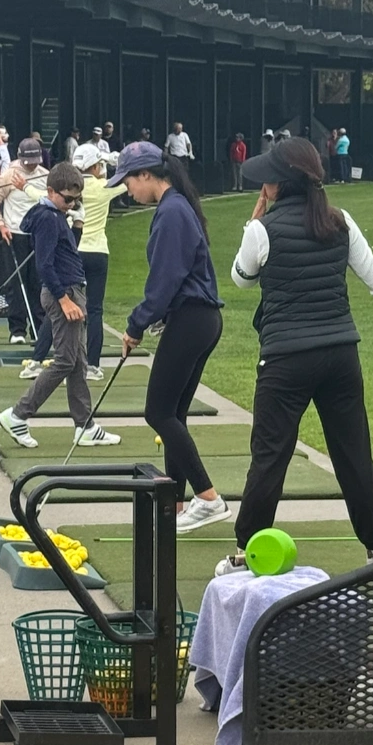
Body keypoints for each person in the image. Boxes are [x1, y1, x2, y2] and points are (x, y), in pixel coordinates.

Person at [216, 137, 373, 574]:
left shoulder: (262, 229)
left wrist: (250, 226)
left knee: (270, 454)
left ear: (279, 184)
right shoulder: (340, 221)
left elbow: (241, 279)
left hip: (286, 358)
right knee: (354, 456)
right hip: (340, 355)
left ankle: (247, 553)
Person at [106, 143, 229, 533]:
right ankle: (177, 504)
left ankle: (207, 498)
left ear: (146, 175)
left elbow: (164, 282)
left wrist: (135, 324)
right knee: (173, 414)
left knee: (157, 412)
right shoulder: (177, 207)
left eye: (128, 181)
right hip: (199, 319)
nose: (127, 190)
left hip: (192, 320)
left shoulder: (172, 212)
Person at [0, 163, 121, 450]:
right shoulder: (48, 218)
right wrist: (65, 299)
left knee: (77, 361)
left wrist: (76, 224)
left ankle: (84, 425)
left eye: (77, 199)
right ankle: (17, 414)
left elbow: (67, 251)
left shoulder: (54, 215)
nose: (72, 203)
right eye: (67, 198)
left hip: (67, 289)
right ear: (50, 191)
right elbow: (45, 265)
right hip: (62, 292)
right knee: (66, 360)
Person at [68, 143, 126, 380]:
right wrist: (116, 161)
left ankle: (59, 362)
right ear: (93, 166)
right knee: (94, 310)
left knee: (67, 308)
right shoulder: (105, 186)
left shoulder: (68, 188)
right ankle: (92, 365)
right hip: (98, 253)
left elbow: (38, 193)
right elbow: (129, 179)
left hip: (74, 251)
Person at [0, 138, 49, 344]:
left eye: (35, 160)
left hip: (39, 236)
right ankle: (17, 330)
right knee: (17, 284)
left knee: (38, 283)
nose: (32, 164)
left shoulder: (44, 175)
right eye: (28, 160)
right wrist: (1, 225)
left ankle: (40, 328)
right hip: (14, 234)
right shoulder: (8, 175)